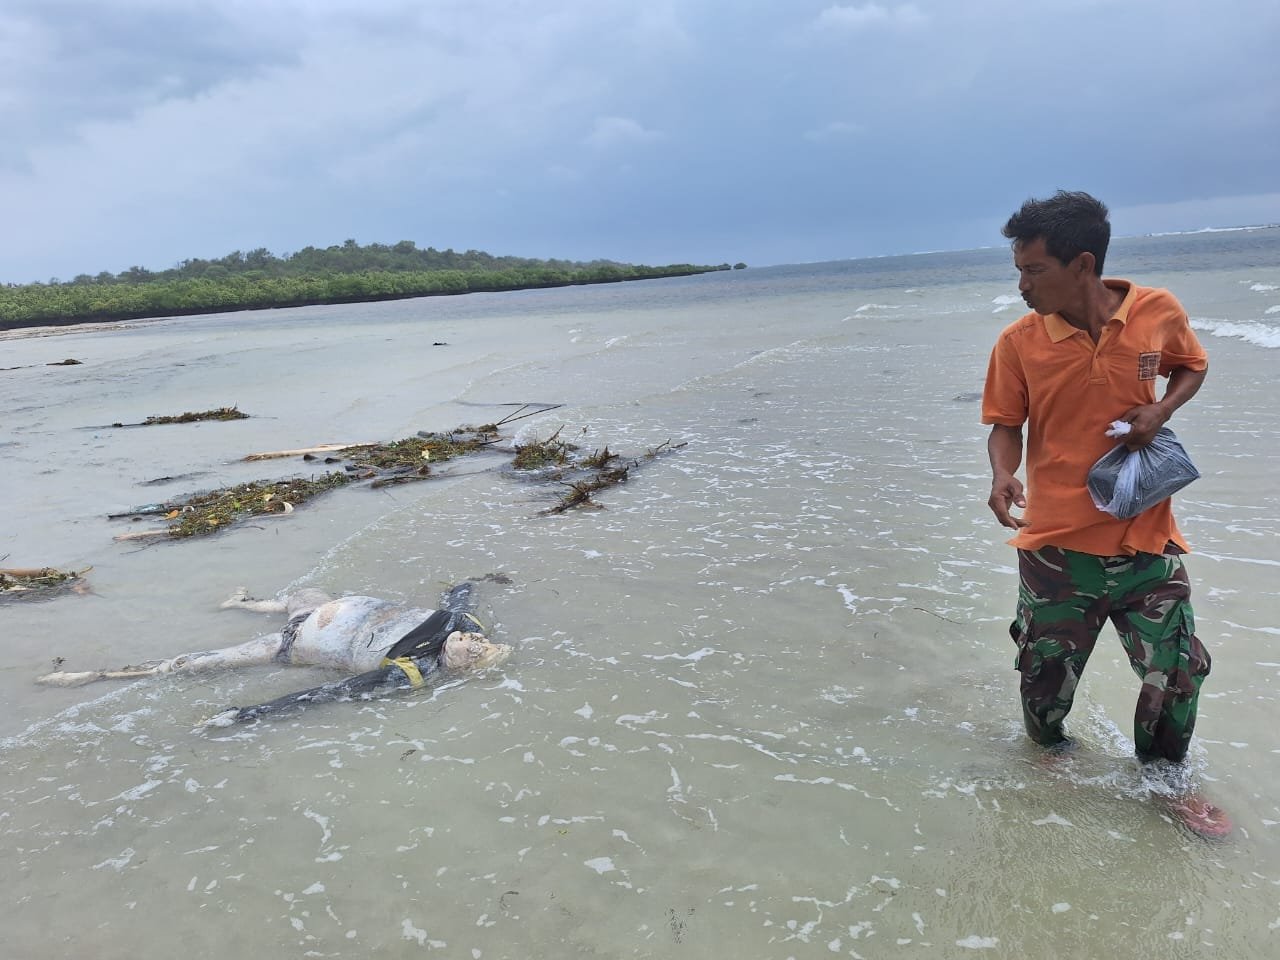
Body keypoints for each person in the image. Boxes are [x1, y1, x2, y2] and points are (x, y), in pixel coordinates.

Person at [981, 190, 1229, 836]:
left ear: (1082, 264)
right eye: (1019, 269)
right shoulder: (1018, 343)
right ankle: (1051, 757)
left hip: (1148, 539)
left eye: (1033, 270)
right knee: (1044, 684)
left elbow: (1191, 366)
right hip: (1058, 551)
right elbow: (1006, 424)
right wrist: (1003, 473)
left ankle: (1166, 783)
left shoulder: (1157, 312)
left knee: (1177, 672)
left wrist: (1162, 410)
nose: (1021, 285)